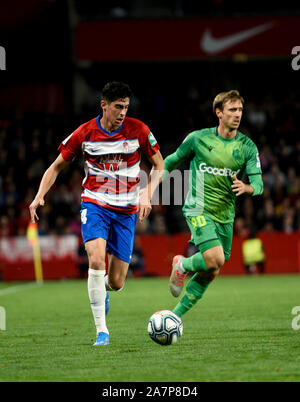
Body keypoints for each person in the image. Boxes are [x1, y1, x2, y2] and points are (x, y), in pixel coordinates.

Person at [29, 82, 164, 346]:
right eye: (118, 106)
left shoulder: (139, 130)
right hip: (95, 204)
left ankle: (104, 288)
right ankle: (102, 331)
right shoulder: (85, 133)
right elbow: (56, 167)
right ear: (104, 105)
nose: (123, 112)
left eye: (126, 106)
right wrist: (39, 195)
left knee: (116, 282)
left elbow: (159, 164)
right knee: (96, 259)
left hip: (126, 211)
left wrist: (148, 193)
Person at [162, 90, 263, 318]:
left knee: (213, 268)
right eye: (232, 110)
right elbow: (172, 160)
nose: (237, 115)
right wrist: (150, 186)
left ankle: (174, 316)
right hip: (197, 206)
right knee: (214, 258)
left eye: (240, 110)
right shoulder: (198, 139)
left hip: (225, 214)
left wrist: (246, 188)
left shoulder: (247, 147)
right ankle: (183, 265)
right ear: (219, 112)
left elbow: (259, 184)